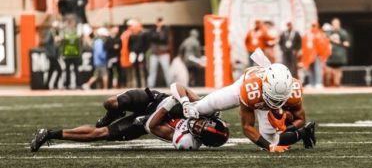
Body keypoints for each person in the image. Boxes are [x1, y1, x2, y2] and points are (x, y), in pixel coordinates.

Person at [171, 49, 316, 153]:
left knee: (272, 140)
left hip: (262, 93)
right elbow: (247, 127)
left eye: (279, 100)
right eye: (272, 98)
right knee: (200, 108)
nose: (274, 103)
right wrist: (268, 147)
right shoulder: (250, 90)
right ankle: (173, 111)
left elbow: (300, 118)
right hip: (245, 87)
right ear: (265, 87)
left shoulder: (294, 89)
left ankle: (304, 133)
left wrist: (286, 128)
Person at [30, 88, 229, 152]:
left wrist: (169, 105)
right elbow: (178, 85)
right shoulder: (208, 111)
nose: (198, 123)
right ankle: (112, 114)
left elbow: (152, 126)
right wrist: (185, 101)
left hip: (147, 120)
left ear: (201, 139)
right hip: (154, 99)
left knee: (100, 134)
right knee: (112, 102)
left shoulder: (187, 141)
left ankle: (49, 133)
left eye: (200, 128)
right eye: (203, 122)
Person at [300, 23, 331, 88]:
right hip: (309, 55)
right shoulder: (308, 34)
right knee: (311, 70)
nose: (313, 27)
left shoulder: (319, 34)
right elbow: (304, 45)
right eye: (312, 26)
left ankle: (318, 82)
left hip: (317, 54)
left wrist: (321, 54)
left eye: (314, 26)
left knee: (318, 69)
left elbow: (322, 45)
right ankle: (312, 83)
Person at [326, 18, 350, 87]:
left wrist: (339, 42)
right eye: (334, 24)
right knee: (328, 73)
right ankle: (328, 86)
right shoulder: (328, 32)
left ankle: (337, 85)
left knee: (338, 72)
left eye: (336, 24)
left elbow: (347, 44)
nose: (335, 25)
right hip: (330, 56)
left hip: (339, 56)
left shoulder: (343, 32)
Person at [147, 17, 171, 87]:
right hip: (154, 53)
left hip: (164, 53)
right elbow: (151, 37)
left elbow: (164, 38)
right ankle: (150, 86)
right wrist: (157, 32)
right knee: (152, 70)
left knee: (167, 70)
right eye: (158, 22)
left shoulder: (166, 29)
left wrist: (159, 32)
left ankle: (169, 85)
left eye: (160, 22)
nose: (159, 23)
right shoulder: (152, 29)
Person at [60, 15, 82, 89]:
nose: (73, 23)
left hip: (75, 54)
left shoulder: (76, 30)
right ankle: (67, 84)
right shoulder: (64, 31)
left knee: (76, 70)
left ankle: (78, 84)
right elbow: (61, 41)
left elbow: (79, 41)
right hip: (67, 55)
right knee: (68, 71)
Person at [42, 20, 62, 89]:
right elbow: (46, 41)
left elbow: (57, 45)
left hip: (54, 55)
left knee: (51, 70)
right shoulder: (50, 32)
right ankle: (55, 84)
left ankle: (46, 85)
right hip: (51, 55)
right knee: (59, 70)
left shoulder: (56, 33)